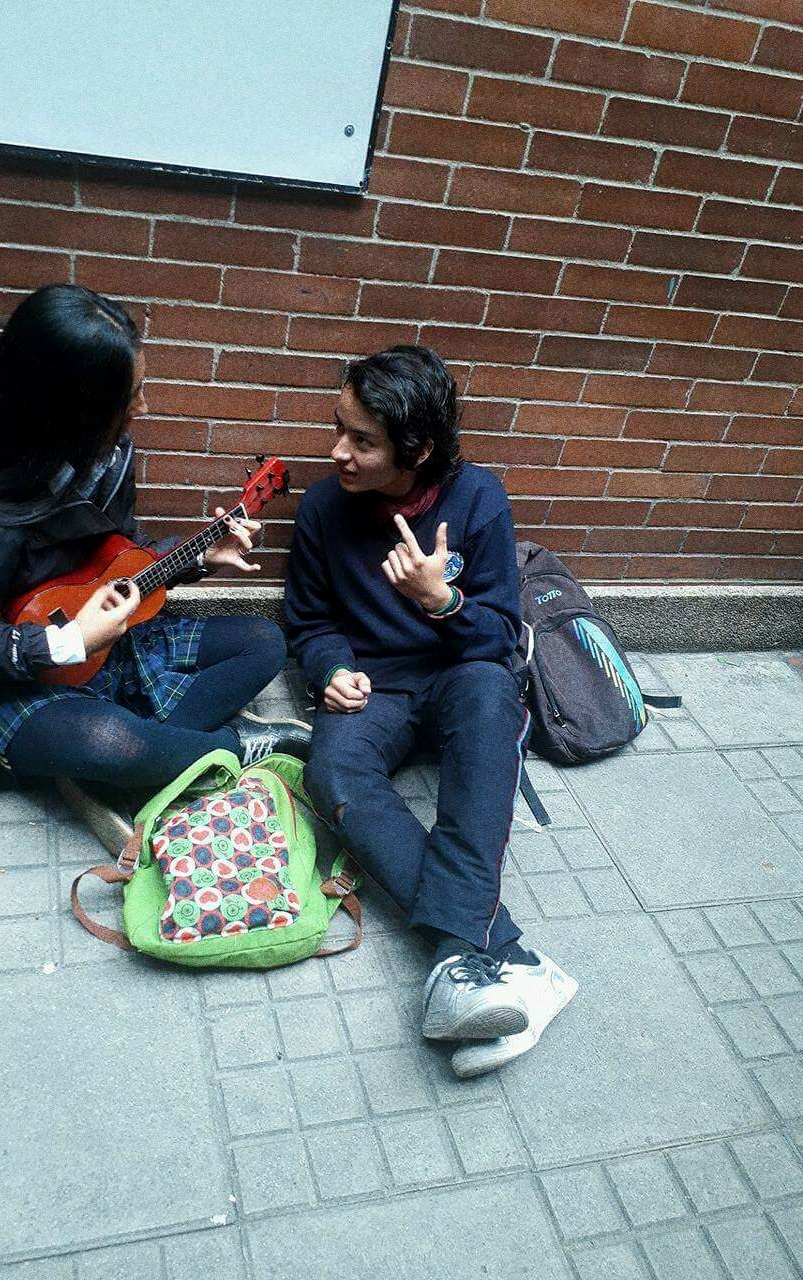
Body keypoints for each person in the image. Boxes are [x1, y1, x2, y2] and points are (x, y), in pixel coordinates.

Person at [0, 284, 309, 850]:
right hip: (8, 678)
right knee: (109, 742)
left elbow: (116, 555)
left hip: (108, 647)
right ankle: (224, 746)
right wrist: (65, 641)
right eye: (128, 399)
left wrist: (200, 556)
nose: (142, 409)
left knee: (265, 642)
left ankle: (126, 766)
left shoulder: (108, 453)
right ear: (66, 410)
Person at [284, 345, 577, 1078]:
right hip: (375, 688)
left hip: (455, 676)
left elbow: (500, 636)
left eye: (362, 440)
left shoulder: (479, 498)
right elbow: (310, 621)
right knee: (335, 770)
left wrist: (438, 600)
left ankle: (460, 959)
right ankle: (499, 958)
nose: (338, 452)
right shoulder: (324, 508)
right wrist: (332, 668)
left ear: (416, 450)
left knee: (489, 697)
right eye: (338, 429)